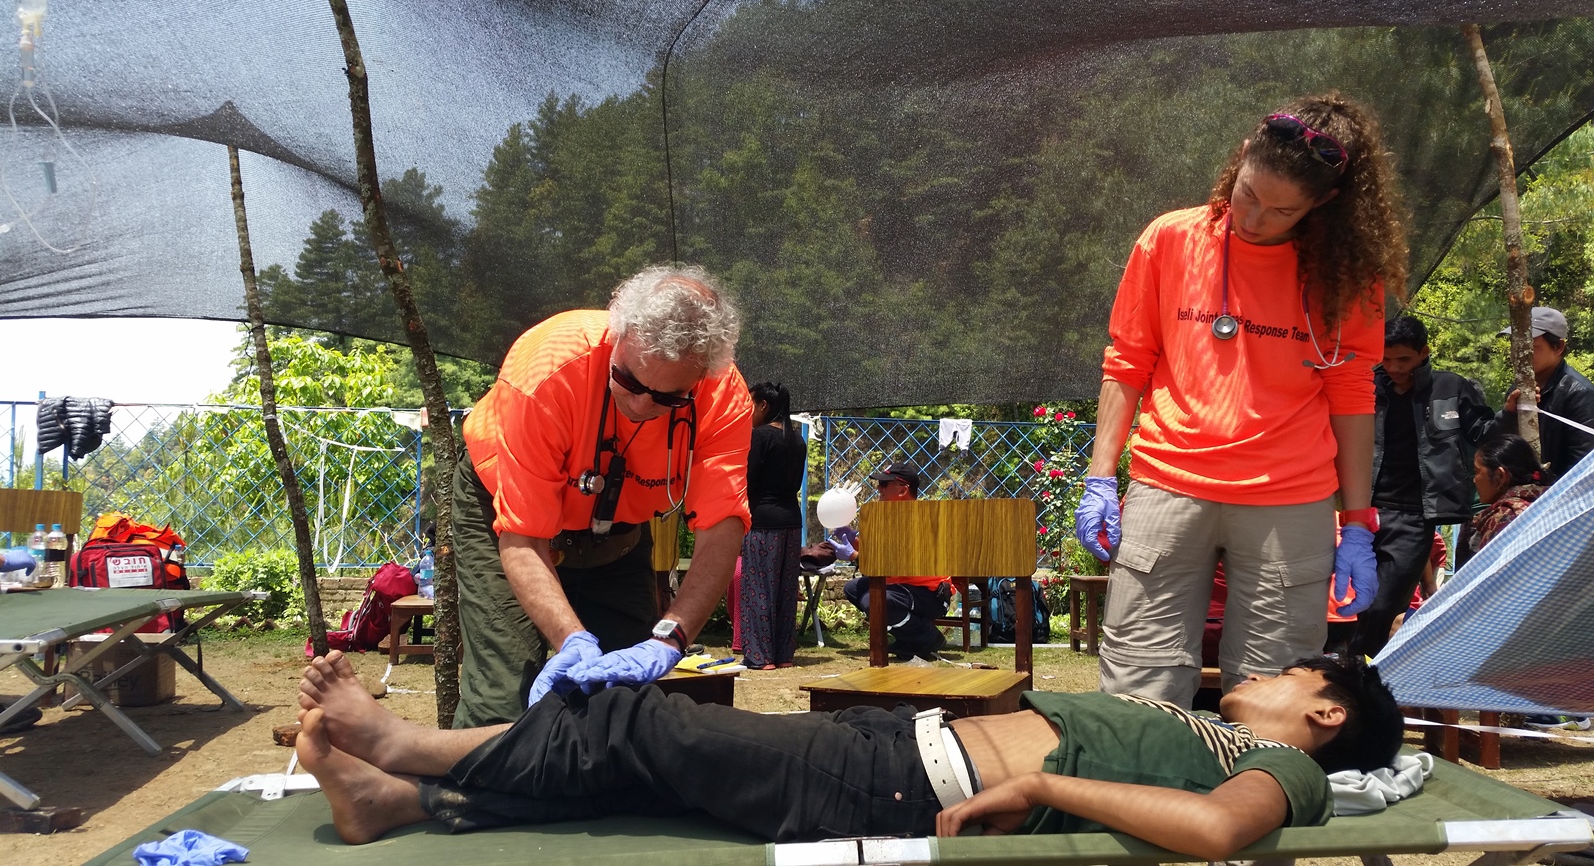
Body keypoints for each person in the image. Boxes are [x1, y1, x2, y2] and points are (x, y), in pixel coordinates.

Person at [296, 649, 1402, 857]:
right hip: (891, 744)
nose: (1263, 671)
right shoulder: (1201, 722)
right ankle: (396, 801)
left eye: (1293, 672)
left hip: (902, 784)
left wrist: (1045, 780)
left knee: (640, 718)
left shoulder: (1288, 771)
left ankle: (405, 741)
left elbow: (1214, 832)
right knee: (642, 770)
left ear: (1322, 716)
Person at [1076, 93, 1409, 708]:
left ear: (1322, 206)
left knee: (1273, 690)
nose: (1254, 217)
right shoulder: (1170, 239)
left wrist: (1358, 521)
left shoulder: (1347, 276)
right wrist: (1101, 476)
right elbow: (1126, 362)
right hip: (1169, 485)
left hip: (1291, 500)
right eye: (1250, 193)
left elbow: (1352, 394)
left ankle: (1252, 799)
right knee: (1138, 677)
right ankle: (1138, 798)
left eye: (1282, 211)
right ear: (1242, 158)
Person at [452, 265, 753, 728]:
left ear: (702, 377)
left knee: (622, 704)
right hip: (507, 516)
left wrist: (670, 638)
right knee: (504, 699)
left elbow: (722, 528)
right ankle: (464, 794)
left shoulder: (723, 396)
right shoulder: (547, 371)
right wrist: (571, 639)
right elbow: (524, 538)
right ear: (618, 332)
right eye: (629, 381)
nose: (640, 407)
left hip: (619, 530)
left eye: (669, 398)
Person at [1350, 316, 1494, 658]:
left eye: (1403, 359)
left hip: (1418, 515)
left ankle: (1360, 670)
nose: (1394, 367)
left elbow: (1484, 434)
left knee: (1385, 604)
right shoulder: (1367, 386)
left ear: (1424, 353)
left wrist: (1512, 411)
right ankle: (1355, 670)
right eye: (1386, 359)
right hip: (1364, 510)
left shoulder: (1452, 388)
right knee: (1355, 598)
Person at [1466, 434, 1588, 731]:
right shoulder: (1554, 504)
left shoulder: (1507, 516)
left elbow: (1492, 590)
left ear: (1501, 475)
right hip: (1567, 628)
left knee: (1402, 624)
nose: (1473, 480)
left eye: (1478, 471)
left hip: (1520, 633)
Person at [842, 462, 951, 660]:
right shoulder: (891, 517)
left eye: (884, 485)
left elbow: (893, 563)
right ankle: (909, 639)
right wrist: (854, 542)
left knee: (874, 600)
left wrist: (855, 556)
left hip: (930, 594)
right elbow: (881, 555)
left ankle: (928, 637)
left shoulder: (919, 519)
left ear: (902, 490)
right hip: (903, 587)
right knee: (853, 588)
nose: (878, 489)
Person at [739, 381, 807, 669]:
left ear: (763, 406)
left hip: (763, 521)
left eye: (750, 404)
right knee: (785, 589)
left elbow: (747, 480)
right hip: (792, 521)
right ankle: (783, 655)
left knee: (758, 587)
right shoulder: (798, 440)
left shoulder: (760, 436)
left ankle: (760, 656)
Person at [1495, 306, 1594, 480]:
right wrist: (1508, 415)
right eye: (1515, 345)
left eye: (1530, 347)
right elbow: (1501, 447)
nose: (1518, 355)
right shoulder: (1516, 390)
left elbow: (1583, 467)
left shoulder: (1579, 393)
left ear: (1558, 347)